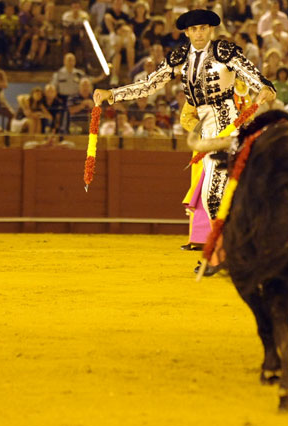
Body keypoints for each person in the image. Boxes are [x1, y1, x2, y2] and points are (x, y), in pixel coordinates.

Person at [93, 9, 276, 275]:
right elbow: (149, 84)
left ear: (210, 30)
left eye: (204, 28)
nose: (199, 33)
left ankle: (221, 255)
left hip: (229, 129)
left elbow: (254, 77)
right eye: (194, 29)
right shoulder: (180, 57)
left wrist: (265, 88)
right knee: (219, 196)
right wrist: (113, 94)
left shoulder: (225, 52)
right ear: (187, 33)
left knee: (213, 195)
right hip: (206, 131)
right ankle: (234, 252)